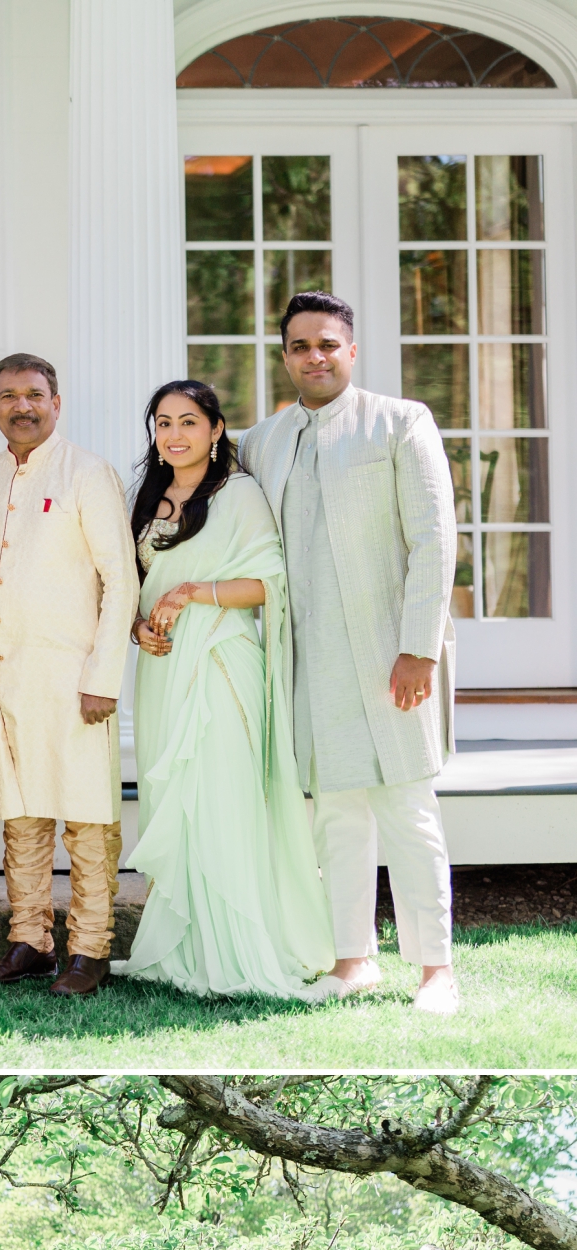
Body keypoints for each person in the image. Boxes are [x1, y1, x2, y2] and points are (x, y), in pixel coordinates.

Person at [238, 293, 459, 1014]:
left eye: (328, 344)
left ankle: (435, 972)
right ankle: (352, 959)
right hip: (306, 658)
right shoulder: (263, 440)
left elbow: (435, 539)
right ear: (285, 357)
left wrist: (418, 649)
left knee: (406, 808)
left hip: (390, 654)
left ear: (351, 351)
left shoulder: (400, 422)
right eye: (301, 346)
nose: (315, 357)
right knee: (336, 815)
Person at [118, 379, 335, 999]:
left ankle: (237, 948)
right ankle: (183, 946)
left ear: (216, 430)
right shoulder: (148, 498)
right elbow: (138, 583)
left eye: (189, 421)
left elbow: (270, 583)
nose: (175, 434)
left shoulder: (238, 495)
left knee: (219, 796)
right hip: (163, 668)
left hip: (219, 660)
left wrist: (192, 594)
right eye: (163, 422)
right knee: (173, 795)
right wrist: (139, 625)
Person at [0, 355, 139, 998]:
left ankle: (89, 949)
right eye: (9, 396)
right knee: (23, 812)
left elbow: (121, 577)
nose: (23, 406)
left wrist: (105, 675)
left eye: (34, 395)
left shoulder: (87, 473)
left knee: (89, 815)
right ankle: (30, 941)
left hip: (76, 678)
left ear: (57, 403)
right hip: (7, 678)